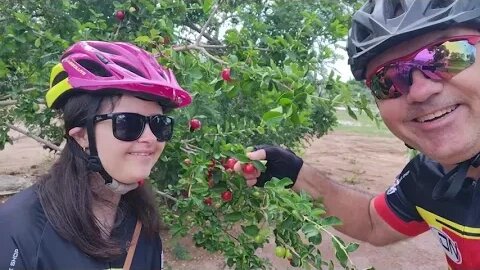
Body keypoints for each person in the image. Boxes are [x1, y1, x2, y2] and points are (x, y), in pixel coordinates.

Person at [236, 1, 480, 269]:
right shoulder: (427, 177)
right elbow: (372, 222)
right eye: (386, 81)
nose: (420, 91)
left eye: (448, 55)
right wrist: (295, 172)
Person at [0, 41, 191, 269]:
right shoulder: (20, 229)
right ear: (81, 135)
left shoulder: (143, 225)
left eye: (160, 124)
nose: (151, 138)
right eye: (128, 123)